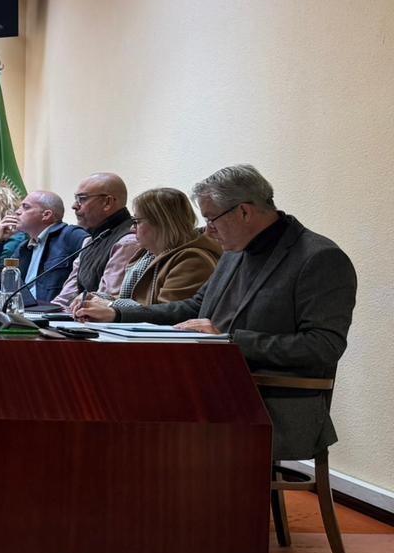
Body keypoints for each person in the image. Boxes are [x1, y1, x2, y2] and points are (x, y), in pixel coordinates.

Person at [105, 165, 356, 463]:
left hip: (272, 400)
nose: (207, 230)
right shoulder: (234, 251)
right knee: (121, 395)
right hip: (217, 386)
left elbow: (323, 347)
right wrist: (117, 315)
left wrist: (229, 340)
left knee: (145, 417)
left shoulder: (319, 258)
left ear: (244, 212)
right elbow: (194, 308)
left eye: (211, 218)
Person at [70, 188, 219, 320]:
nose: (132, 229)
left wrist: (109, 306)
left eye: (137, 221)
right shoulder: (147, 254)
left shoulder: (192, 259)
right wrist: (97, 298)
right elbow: (132, 299)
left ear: (161, 223)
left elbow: (166, 314)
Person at [0, 190, 88, 304]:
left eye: (25, 207)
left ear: (46, 215)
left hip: (53, 311)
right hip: (23, 310)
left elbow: (93, 267)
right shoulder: (23, 248)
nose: (17, 212)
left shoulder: (71, 235)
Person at [54, 173, 139, 305]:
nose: (74, 206)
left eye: (82, 199)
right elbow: (67, 295)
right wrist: (46, 312)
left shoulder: (128, 241)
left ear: (107, 203)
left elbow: (105, 300)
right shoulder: (90, 240)